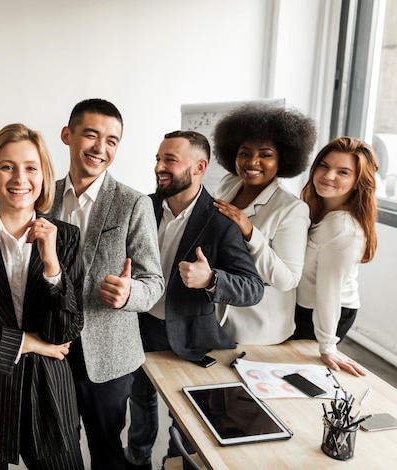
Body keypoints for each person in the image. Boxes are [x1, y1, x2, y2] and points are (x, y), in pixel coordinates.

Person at [124, 130, 264, 469]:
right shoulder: (142, 205)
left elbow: (253, 287)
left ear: (199, 166)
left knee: (184, 422)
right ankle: (138, 460)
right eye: (158, 159)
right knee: (139, 407)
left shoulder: (220, 221)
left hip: (187, 337)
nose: (159, 167)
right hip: (135, 327)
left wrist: (211, 279)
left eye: (170, 160)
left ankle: (175, 464)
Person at [47, 98, 165, 470]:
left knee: (107, 451)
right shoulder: (41, 195)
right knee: (58, 447)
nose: (101, 148)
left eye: (112, 141)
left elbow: (154, 281)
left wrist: (131, 293)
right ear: (68, 135)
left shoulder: (133, 203)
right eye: (92, 135)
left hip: (109, 357)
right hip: (53, 350)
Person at [0, 123, 84, 470]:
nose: (19, 178)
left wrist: (51, 263)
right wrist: (30, 343)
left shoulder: (65, 237)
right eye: (7, 166)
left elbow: (65, 333)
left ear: (43, 176)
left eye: (30, 168)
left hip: (50, 393)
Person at [212, 103, 317, 344]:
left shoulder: (292, 209)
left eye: (265, 155)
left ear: (283, 159)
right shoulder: (228, 185)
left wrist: (250, 233)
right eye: (244, 153)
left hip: (259, 326)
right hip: (220, 314)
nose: (252, 162)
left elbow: (287, 279)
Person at [291, 136, 378, 377]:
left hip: (326, 310)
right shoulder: (317, 207)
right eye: (324, 166)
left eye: (343, 172)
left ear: (358, 182)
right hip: (308, 306)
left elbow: (328, 290)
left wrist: (328, 346)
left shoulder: (342, 228)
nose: (328, 176)